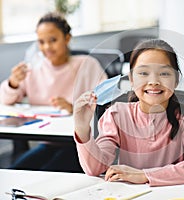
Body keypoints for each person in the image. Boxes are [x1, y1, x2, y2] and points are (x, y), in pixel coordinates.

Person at [73, 39, 184, 186]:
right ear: (132, 80)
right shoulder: (116, 114)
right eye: (144, 73)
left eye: (164, 73)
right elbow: (95, 168)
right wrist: (82, 129)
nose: (153, 81)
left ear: (176, 80)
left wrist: (145, 175)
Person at [0, 12, 107, 172]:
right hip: (48, 143)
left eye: (53, 40)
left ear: (67, 38)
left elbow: (106, 101)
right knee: (14, 171)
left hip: (79, 145)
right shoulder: (32, 68)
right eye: (41, 42)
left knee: (45, 174)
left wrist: (75, 108)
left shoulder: (87, 64)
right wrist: (13, 82)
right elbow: (5, 100)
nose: (47, 47)